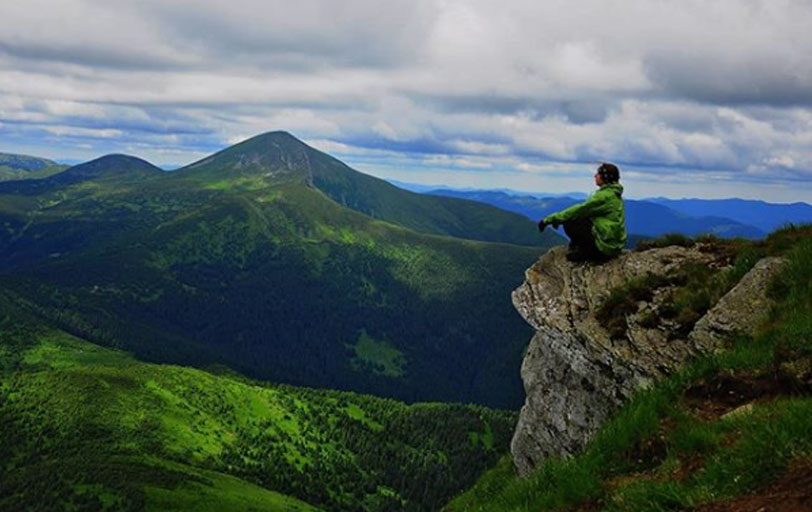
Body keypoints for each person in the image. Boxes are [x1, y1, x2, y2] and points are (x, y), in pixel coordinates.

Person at [538, 163, 627, 263]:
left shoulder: (604, 196)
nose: (595, 176)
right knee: (581, 219)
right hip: (614, 245)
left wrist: (550, 219)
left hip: (605, 250)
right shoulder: (614, 194)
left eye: (598, 173)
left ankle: (586, 253)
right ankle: (582, 247)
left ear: (605, 177)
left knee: (571, 221)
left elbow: (578, 210)